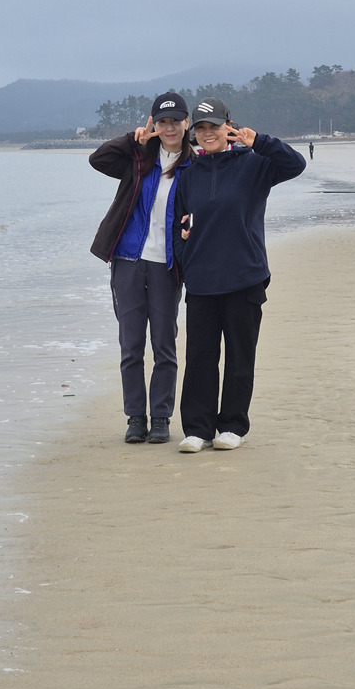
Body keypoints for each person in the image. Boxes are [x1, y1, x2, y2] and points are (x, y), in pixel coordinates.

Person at [173, 95, 306, 453]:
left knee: (239, 357)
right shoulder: (189, 175)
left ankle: (232, 426)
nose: (207, 133)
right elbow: (177, 225)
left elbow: (295, 164)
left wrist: (258, 141)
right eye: (201, 128)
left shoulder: (255, 165)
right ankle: (197, 430)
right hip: (202, 281)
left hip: (244, 277)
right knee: (199, 358)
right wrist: (185, 256)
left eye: (214, 126)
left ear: (228, 127)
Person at [89, 92, 194, 444]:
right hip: (128, 261)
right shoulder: (138, 158)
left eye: (175, 121)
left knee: (164, 345)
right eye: (162, 122)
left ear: (186, 124)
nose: (169, 128)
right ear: (154, 125)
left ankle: (161, 418)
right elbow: (98, 159)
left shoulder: (194, 166)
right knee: (131, 346)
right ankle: (135, 418)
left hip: (167, 265)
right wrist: (131, 139)